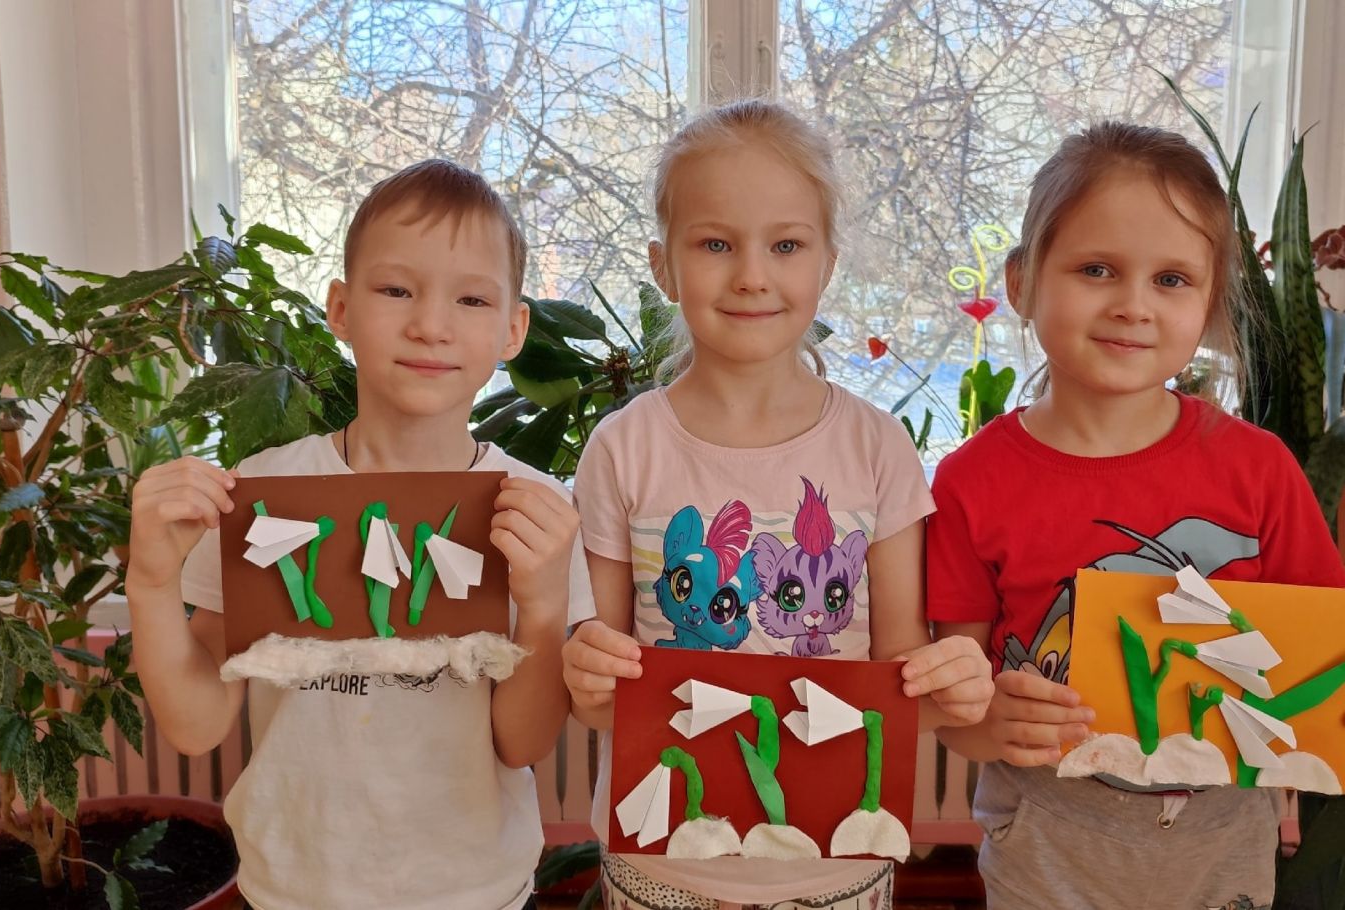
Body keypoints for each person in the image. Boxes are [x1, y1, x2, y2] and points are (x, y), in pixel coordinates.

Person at [925, 122, 1345, 908]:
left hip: (1224, 846)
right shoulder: (968, 483)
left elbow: (1319, 680)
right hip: (1048, 847)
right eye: (1097, 269)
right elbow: (954, 703)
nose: (1133, 306)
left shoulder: (1260, 471)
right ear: (1021, 283)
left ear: (1210, 301)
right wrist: (986, 722)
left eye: (1171, 279)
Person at [564, 99, 993, 910]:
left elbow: (904, 675)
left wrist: (953, 685)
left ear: (826, 264)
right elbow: (599, 700)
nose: (752, 275)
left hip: (836, 872)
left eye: (786, 245)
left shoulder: (877, 448)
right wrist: (585, 670)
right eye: (716, 244)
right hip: (664, 872)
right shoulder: (622, 449)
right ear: (663, 266)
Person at [128, 159, 591, 910]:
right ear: (340, 309)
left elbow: (522, 744)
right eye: (396, 290)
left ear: (513, 329)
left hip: (476, 891)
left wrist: (541, 611)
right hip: (293, 887)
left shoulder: (537, 511)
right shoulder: (264, 490)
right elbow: (196, 722)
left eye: (471, 298)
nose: (430, 324)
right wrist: (150, 583)